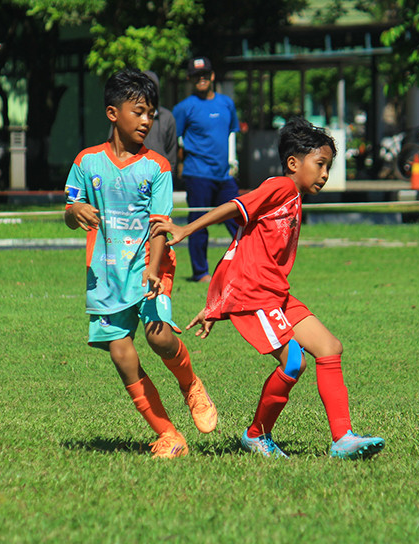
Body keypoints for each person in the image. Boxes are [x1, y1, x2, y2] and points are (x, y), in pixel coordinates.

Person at [152, 117, 385, 460]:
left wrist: (217, 303)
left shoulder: (293, 197)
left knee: (329, 348)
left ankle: (342, 439)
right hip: (256, 295)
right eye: (320, 165)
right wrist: (188, 229)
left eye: (328, 167)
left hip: (275, 293)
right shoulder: (281, 187)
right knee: (294, 362)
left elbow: (241, 244)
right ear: (294, 163)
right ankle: (256, 435)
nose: (324, 174)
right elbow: (235, 207)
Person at [64, 68, 217, 459]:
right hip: (106, 275)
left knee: (158, 336)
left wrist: (153, 268)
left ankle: (190, 384)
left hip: (151, 267)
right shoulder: (86, 162)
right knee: (120, 354)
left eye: (152, 112)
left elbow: (160, 226)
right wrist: (76, 210)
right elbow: (69, 209)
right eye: (140, 111)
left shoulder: (158, 167)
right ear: (113, 113)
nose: (148, 120)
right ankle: (168, 434)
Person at [172, 56, 240, 282]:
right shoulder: (184, 108)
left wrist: (233, 161)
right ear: (190, 79)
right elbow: (176, 138)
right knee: (199, 223)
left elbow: (232, 133)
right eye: (195, 76)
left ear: (211, 76)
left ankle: (243, 268)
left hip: (223, 174)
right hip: (197, 173)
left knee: (239, 220)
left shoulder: (226, 103)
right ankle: (201, 272)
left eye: (204, 75)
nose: (201, 79)